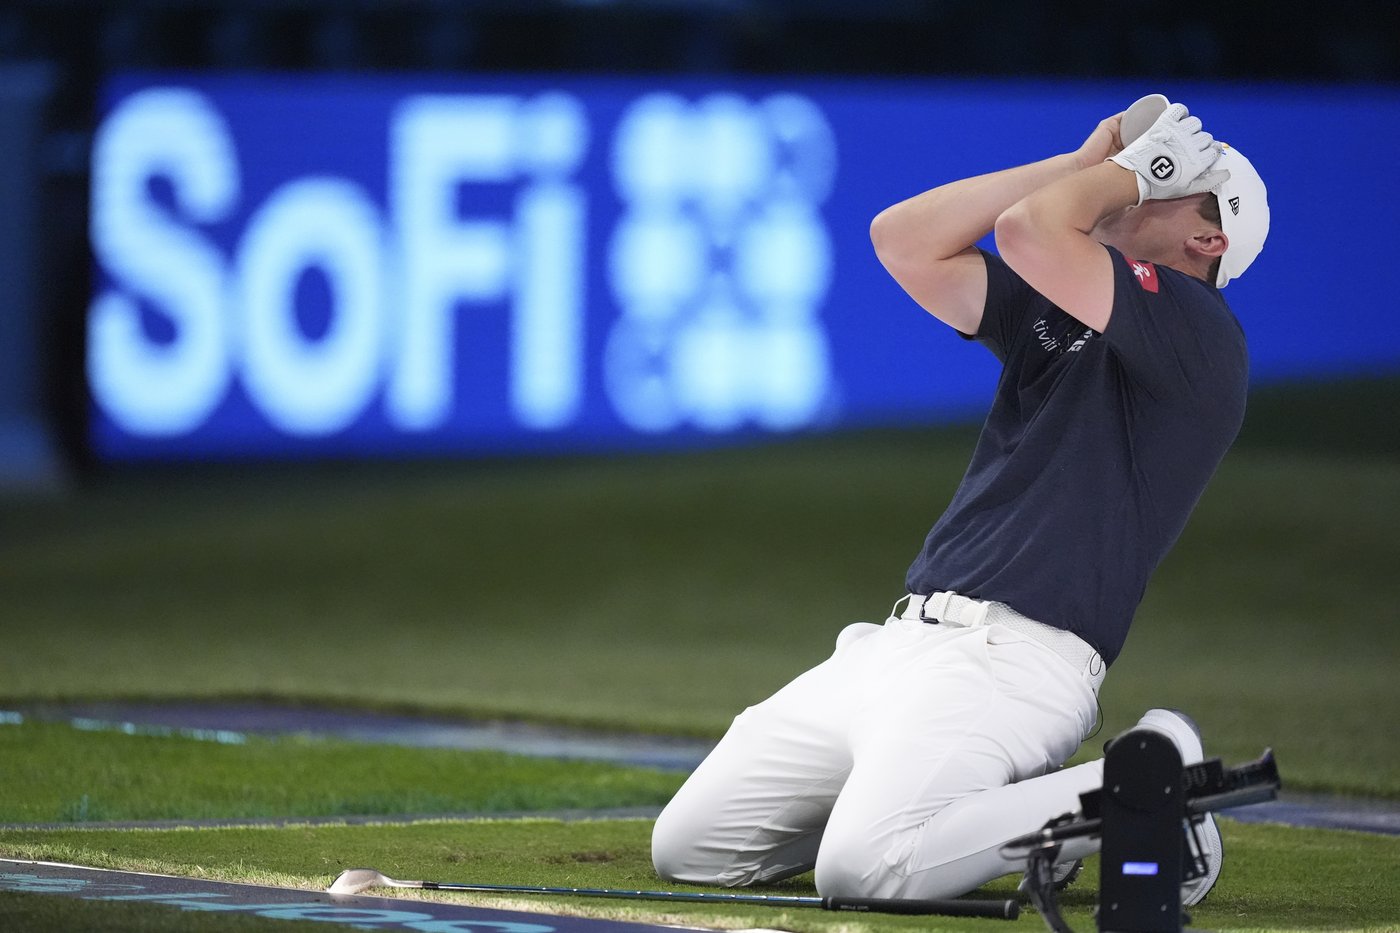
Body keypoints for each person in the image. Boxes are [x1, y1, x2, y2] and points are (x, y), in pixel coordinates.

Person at [650, 95, 1270, 905]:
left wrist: (1128, 172)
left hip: (1017, 660)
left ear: (1208, 240)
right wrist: (1081, 164)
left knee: (862, 868)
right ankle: (1000, 812)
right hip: (896, 645)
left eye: (1173, 186)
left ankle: (1155, 778)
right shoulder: (1065, 307)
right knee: (690, 848)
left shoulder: (1202, 330)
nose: (1140, 187)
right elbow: (902, 239)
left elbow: (1027, 230)